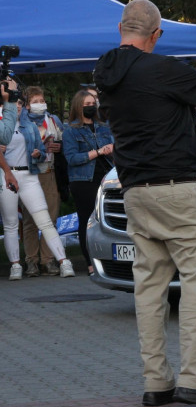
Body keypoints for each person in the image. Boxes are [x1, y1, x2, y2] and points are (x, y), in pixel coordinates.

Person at [94, 0, 196, 407]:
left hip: (136, 192)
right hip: (178, 188)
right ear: (156, 34)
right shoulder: (159, 68)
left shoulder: (108, 72)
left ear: (122, 30)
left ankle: (156, 381)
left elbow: (168, 96)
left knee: (149, 288)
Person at [1, 91, 76, 281]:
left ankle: (63, 260)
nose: (16, 106)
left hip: (30, 175)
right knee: (11, 223)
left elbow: (42, 153)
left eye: (19, 103)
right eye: (13, 103)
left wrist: (38, 154)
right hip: (6, 175)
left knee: (44, 219)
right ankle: (16, 265)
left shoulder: (29, 126)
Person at [62, 89, 116, 275]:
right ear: (78, 107)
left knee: (108, 219)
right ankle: (90, 262)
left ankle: (109, 258)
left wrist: (112, 149)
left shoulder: (103, 127)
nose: (91, 107)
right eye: (87, 105)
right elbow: (72, 158)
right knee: (87, 220)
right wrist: (98, 152)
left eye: (93, 104)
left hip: (106, 178)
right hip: (83, 180)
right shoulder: (70, 130)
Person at [18, 86, 65, 277]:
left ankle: (48, 259)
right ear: (27, 105)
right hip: (29, 174)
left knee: (50, 219)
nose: (40, 104)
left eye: (41, 100)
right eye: (35, 102)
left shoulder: (53, 120)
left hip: (48, 173)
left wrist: (58, 147)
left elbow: (64, 142)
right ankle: (31, 261)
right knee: (29, 220)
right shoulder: (20, 123)